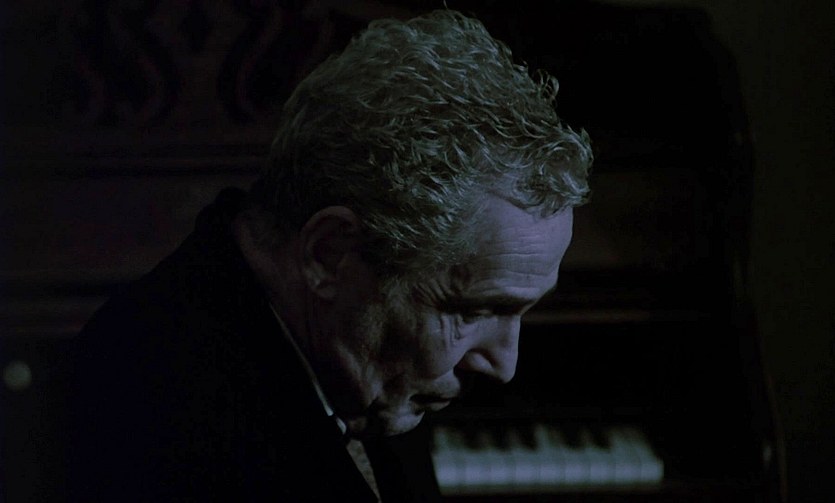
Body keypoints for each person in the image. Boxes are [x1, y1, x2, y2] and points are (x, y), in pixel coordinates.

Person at [68, 8, 592, 502]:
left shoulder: (362, 352)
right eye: (472, 311)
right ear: (328, 253)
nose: (504, 366)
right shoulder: (147, 420)